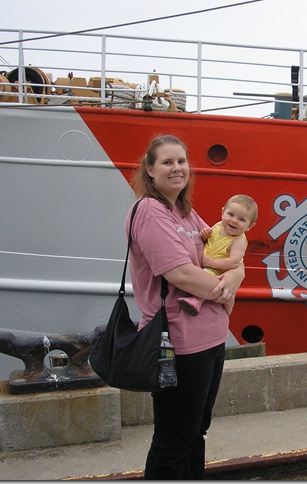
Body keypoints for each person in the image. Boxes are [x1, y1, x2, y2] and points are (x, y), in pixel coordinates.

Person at [128, 134, 245, 479]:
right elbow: (181, 273)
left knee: (196, 431)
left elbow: (224, 253)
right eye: (167, 162)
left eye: (181, 161)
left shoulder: (184, 212)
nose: (177, 168)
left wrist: (238, 273)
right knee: (174, 438)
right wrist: (227, 290)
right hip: (178, 344)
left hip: (209, 341)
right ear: (149, 169)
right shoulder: (150, 212)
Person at [178, 194, 257, 315]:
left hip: (218, 271)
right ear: (223, 212)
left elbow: (234, 262)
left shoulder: (239, 240)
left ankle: (196, 301)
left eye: (242, 219)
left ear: (250, 226)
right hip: (209, 264)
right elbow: (209, 240)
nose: (234, 220)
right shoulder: (219, 225)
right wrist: (205, 235)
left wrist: (212, 263)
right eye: (230, 214)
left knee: (205, 277)